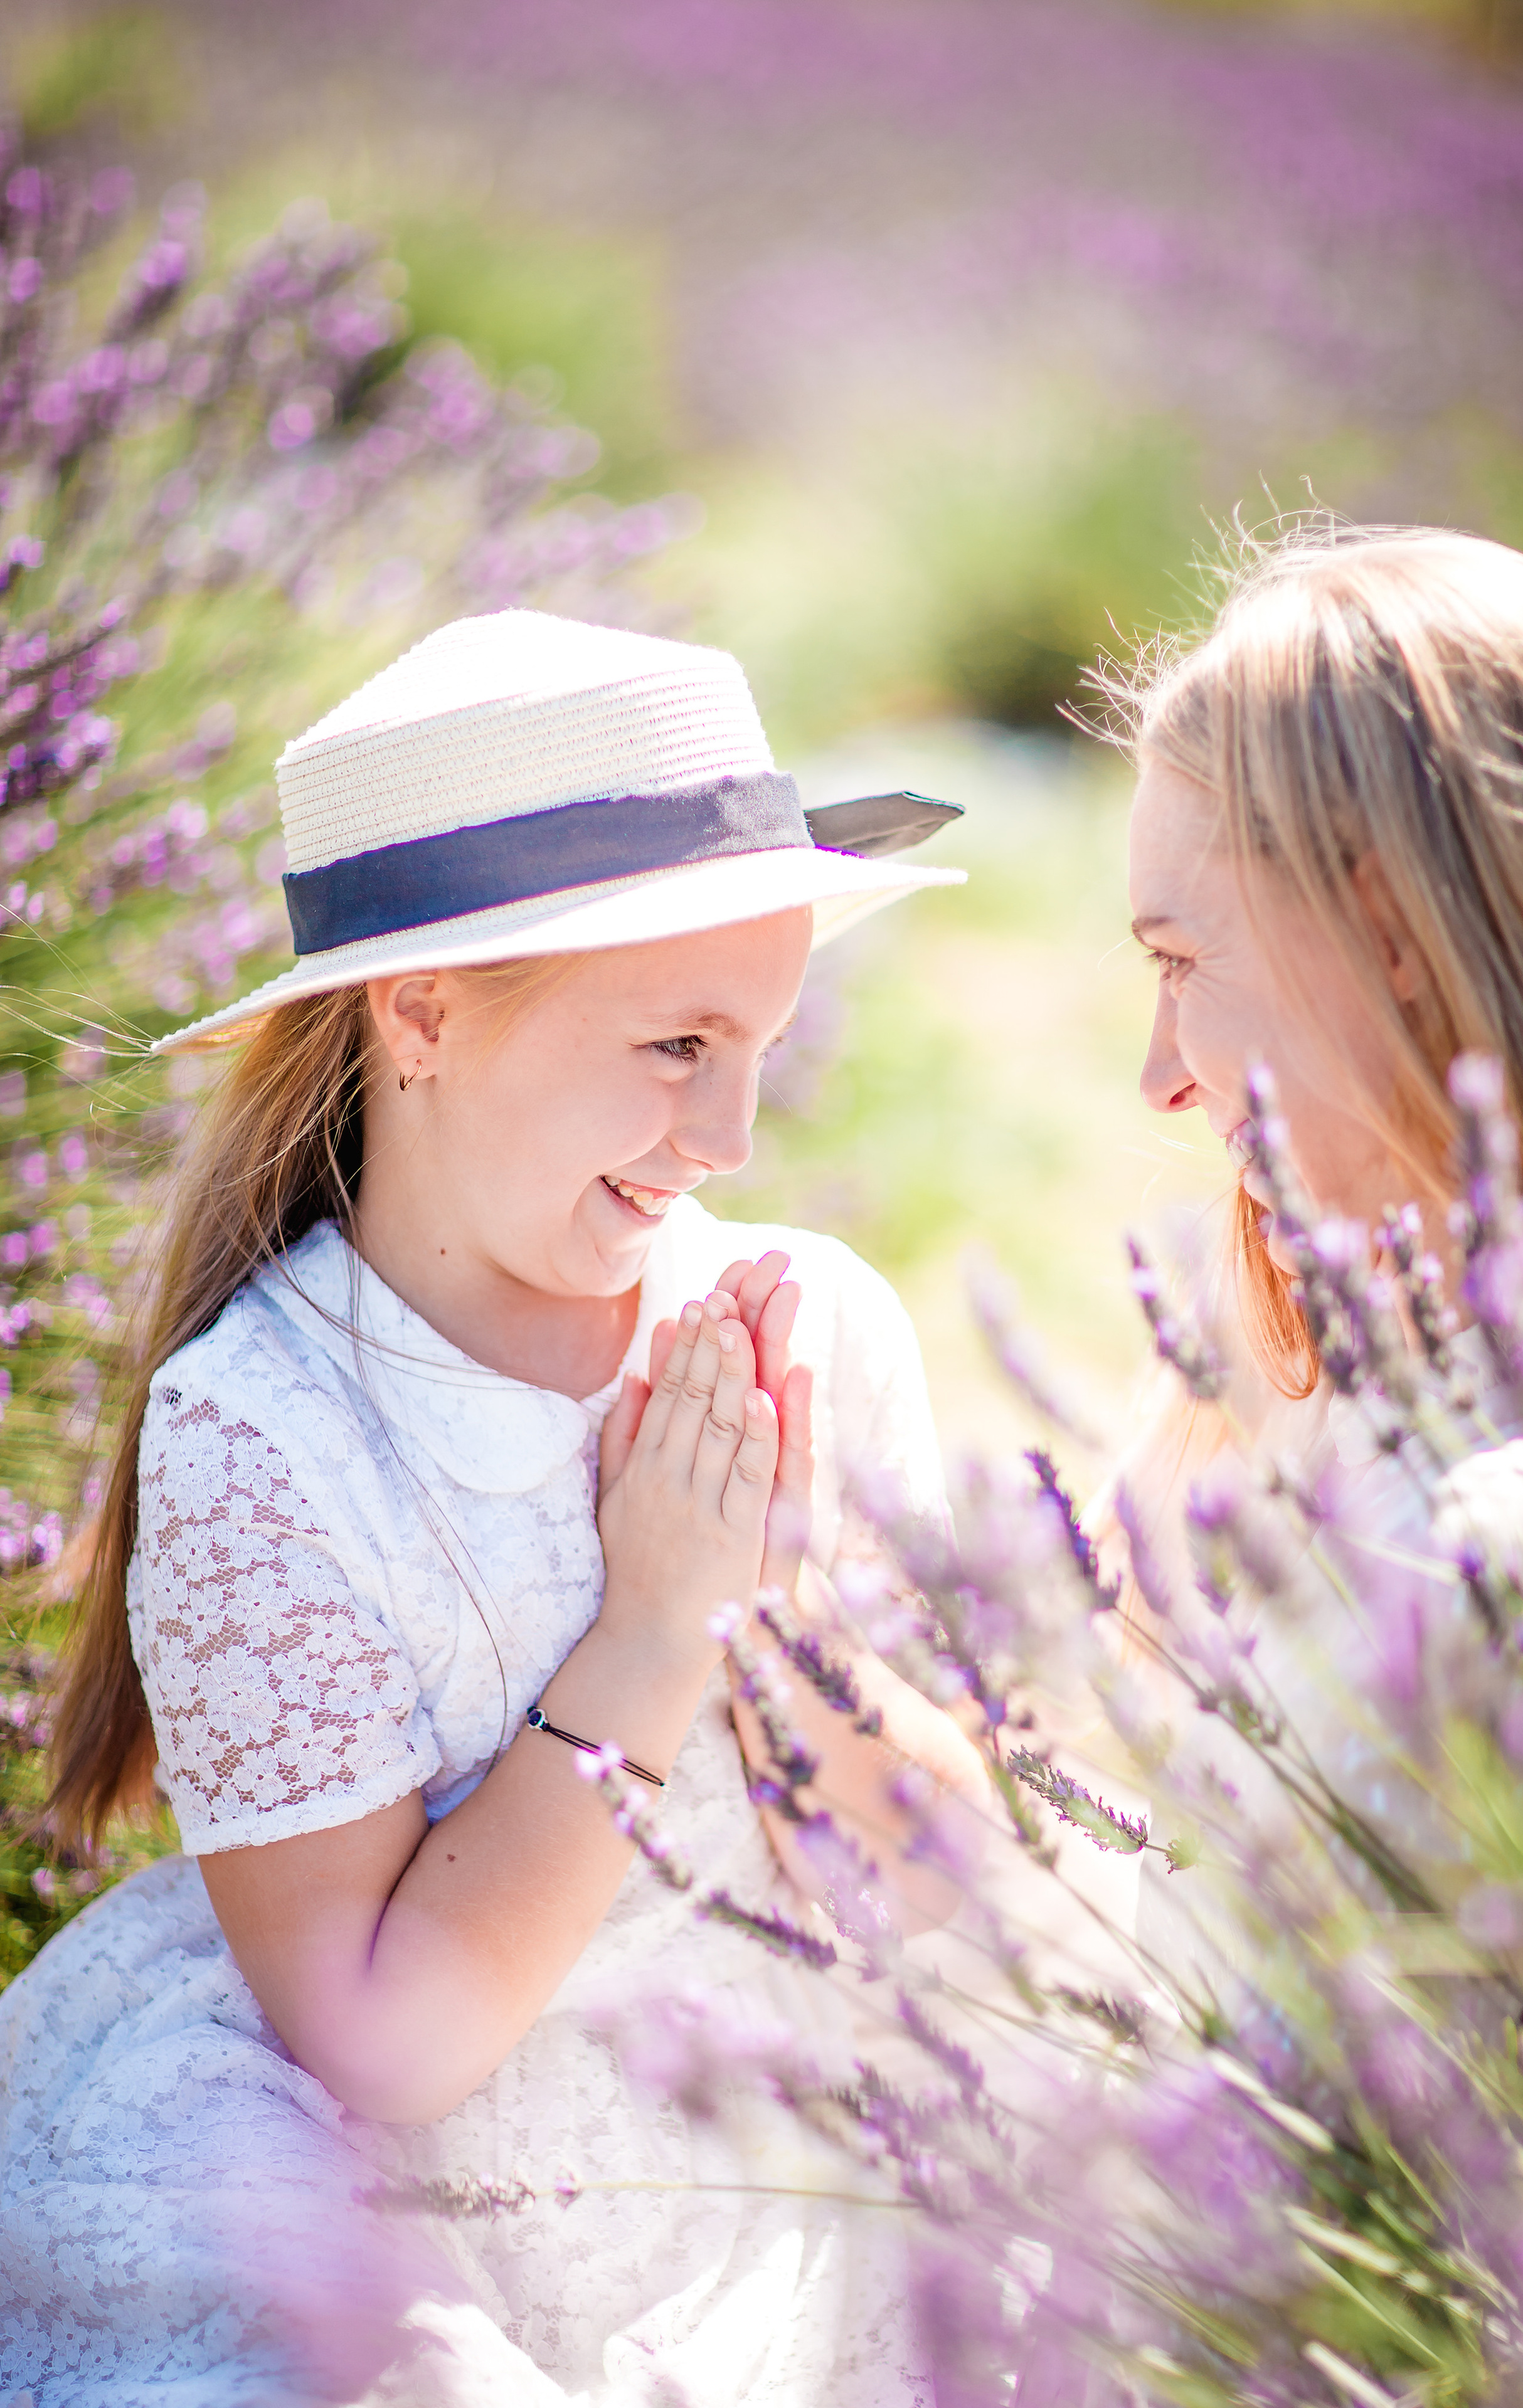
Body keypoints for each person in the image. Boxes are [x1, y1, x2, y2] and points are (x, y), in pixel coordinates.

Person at [0, 610, 987, 2405]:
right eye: (678, 1044)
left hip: (761, 2137)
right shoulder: (268, 1430)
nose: (734, 1133)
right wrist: (655, 1632)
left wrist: (784, 1624)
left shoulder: (797, 1325)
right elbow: (389, 2037)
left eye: (763, 1042)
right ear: (426, 1012)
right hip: (390, 2192)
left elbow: (932, 1876)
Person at [1113, 520, 1523, 1946]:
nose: (1158, 1074)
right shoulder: (1343, 1401)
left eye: (1180, 958)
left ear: (1390, 936)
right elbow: (1179, 1866)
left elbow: (1243, 2067)